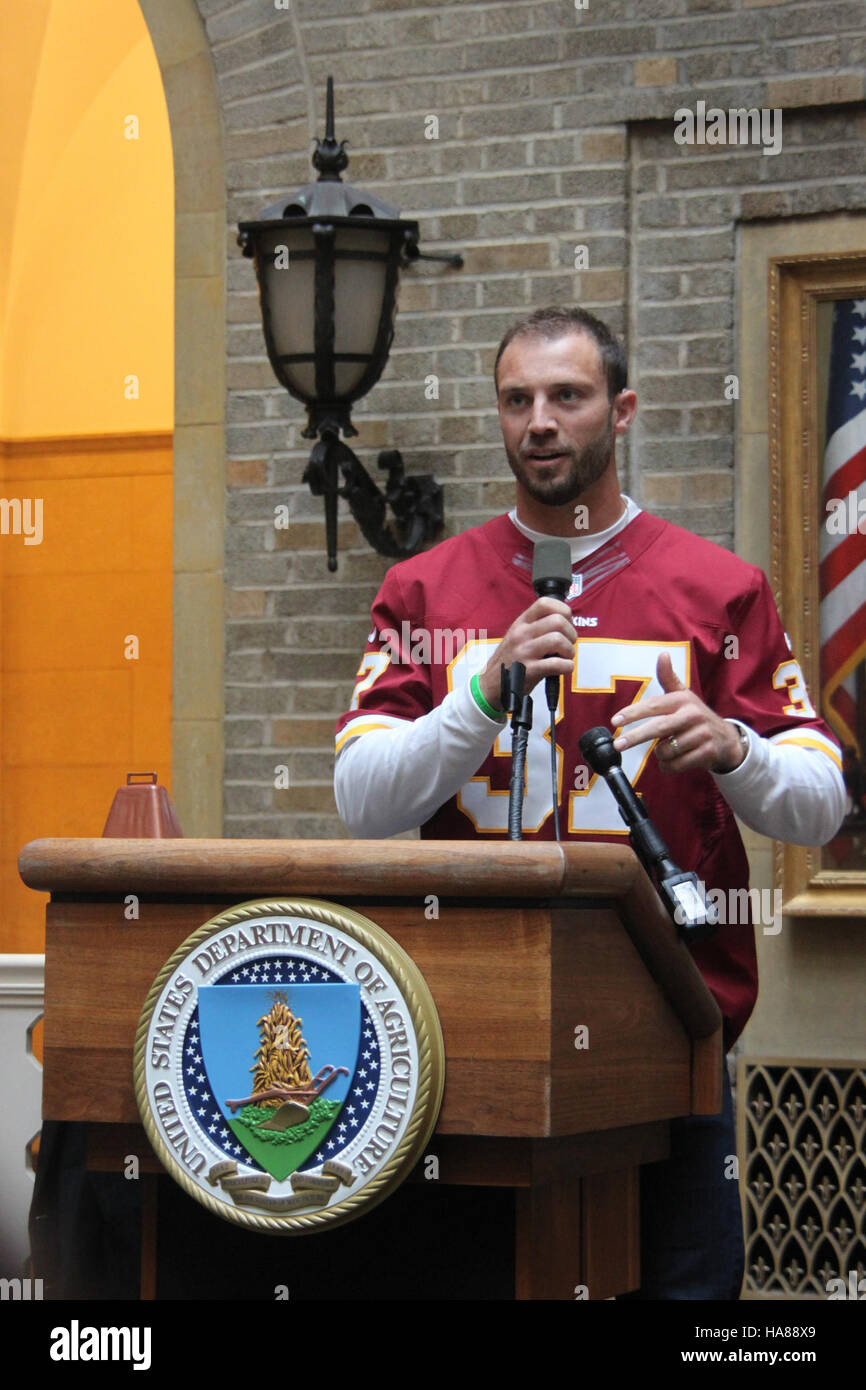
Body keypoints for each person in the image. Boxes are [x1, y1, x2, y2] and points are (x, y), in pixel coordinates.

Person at [333, 305, 846, 1299]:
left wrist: (737, 750)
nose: (537, 419)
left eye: (565, 396)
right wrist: (479, 694)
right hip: (470, 1036)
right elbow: (362, 799)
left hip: (666, 1030)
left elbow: (819, 806)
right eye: (515, 398)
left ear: (621, 411)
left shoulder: (718, 588)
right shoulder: (423, 589)